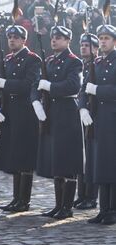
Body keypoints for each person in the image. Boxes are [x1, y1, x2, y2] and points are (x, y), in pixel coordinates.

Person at [31, 25, 84, 220]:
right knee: (56, 161)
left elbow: (73, 86)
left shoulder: (74, 62)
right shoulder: (49, 61)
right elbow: (36, 82)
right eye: (53, 37)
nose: (54, 40)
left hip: (67, 113)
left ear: (68, 40)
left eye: (59, 38)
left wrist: (50, 87)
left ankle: (67, 207)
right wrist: (35, 100)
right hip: (51, 113)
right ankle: (57, 205)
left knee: (67, 160)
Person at [0, 25, 41, 212]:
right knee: (13, 157)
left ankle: (24, 200)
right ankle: (16, 198)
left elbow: (29, 85)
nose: (11, 40)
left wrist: (7, 84)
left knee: (24, 159)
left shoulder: (32, 59)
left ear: (23, 40)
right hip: (10, 112)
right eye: (10, 36)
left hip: (25, 113)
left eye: (15, 37)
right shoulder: (8, 59)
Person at [80, 24, 116, 225]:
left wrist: (98, 90)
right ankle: (103, 209)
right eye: (101, 38)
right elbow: (83, 89)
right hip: (96, 119)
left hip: (112, 118)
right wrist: (83, 108)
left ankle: (113, 209)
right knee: (99, 165)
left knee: (111, 165)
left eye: (107, 38)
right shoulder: (97, 62)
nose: (103, 41)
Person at [74, 33, 99, 210]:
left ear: (96, 49)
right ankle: (81, 194)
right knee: (82, 156)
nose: (83, 47)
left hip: (97, 115)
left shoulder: (97, 65)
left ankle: (91, 196)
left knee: (93, 157)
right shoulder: (80, 65)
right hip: (82, 114)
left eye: (88, 45)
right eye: (82, 45)